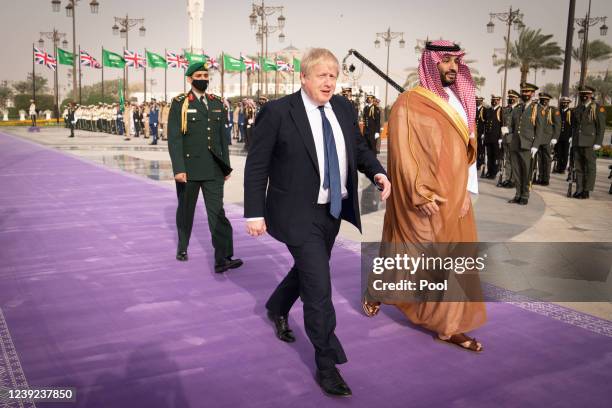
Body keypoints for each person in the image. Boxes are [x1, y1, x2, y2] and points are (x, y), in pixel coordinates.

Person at [244, 48, 390, 397]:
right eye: (322, 75)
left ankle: (277, 306)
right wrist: (254, 211)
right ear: (304, 78)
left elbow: (358, 147)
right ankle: (327, 365)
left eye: (333, 75)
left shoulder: (341, 107)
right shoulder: (279, 112)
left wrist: (379, 172)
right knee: (318, 288)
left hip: (332, 212)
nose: (329, 82)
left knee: (310, 270)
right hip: (296, 212)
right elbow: (257, 163)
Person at [362, 40, 486, 352]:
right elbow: (404, 153)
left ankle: (449, 326)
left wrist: (467, 191)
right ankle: (379, 290)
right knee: (410, 255)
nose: (452, 68)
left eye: (456, 62)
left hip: (455, 195)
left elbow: (467, 151)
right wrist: (420, 192)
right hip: (424, 197)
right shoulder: (408, 103)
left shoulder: (459, 101)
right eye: (445, 61)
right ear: (431, 63)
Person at [167, 61, 243, 273]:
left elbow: (222, 138)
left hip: (213, 169)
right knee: (185, 210)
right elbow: (174, 139)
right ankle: (182, 247)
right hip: (189, 170)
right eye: (198, 75)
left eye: (206, 75)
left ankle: (223, 258)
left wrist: (225, 167)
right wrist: (178, 169)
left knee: (217, 213)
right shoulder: (180, 103)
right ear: (190, 79)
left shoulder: (216, 102)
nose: (203, 79)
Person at [508, 83, 541, 205]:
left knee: (526, 171)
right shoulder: (517, 109)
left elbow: (539, 129)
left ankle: (525, 195)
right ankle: (517, 194)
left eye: (528, 92)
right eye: (523, 92)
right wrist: (508, 135)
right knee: (516, 171)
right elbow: (511, 126)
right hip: (515, 144)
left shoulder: (537, 109)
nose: (525, 94)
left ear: (532, 94)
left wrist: (535, 145)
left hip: (528, 145)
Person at [571, 86, 606, 199]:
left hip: (590, 142)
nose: (584, 96)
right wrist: (573, 137)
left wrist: (598, 142)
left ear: (591, 95)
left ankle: (586, 190)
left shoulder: (597, 108)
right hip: (578, 142)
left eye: (586, 94)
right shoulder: (578, 108)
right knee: (579, 167)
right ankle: (579, 189)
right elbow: (575, 126)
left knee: (590, 167)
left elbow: (601, 127)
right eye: (582, 94)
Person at [533, 92, 560, 186]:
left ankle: (546, 179)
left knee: (547, 159)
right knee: (539, 159)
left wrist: (555, 137)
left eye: (546, 100)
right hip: (537, 137)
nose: (544, 102)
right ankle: (540, 177)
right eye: (542, 100)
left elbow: (557, 125)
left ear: (548, 101)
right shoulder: (536, 108)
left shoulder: (552, 110)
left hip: (548, 138)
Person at [498, 90, 520, 187]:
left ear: (517, 99)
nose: (511, 99)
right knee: (507, 159)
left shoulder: (519, 110)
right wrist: (501, 136)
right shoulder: (506, 109)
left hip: (514, 139)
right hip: (506, 138)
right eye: (510, 97)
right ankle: (508, 178)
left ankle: (513, 180)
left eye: (513, 97)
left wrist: (509, 129)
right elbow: (502, 123)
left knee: (513, 160)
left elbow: (518, 126)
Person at [484, 95, 502, 178]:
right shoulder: (489, 110)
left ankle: (494, 172)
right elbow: (486, 123)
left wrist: (501, 137)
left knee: (495, 156)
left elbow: (503, 125)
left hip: (496, 138)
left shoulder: (501, 110)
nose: (494, 101)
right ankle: (489, 171)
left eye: (496, 100)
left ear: (499, 101)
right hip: (488, 137)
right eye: (493, 100)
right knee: (489, 155)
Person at [553, 96, 572, 173]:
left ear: (568, 104)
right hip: (559, 136)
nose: (564, 104)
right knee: (558, 152)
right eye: (563, 103)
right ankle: (558, 167)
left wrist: (571, 136)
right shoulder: (558, 112)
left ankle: (563, 168)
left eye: (566, 103)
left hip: (567, 136)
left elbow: (572, 125)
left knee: (565, 152)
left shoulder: (571, 112)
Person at [476, 96, 486, 172]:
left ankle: (480, 163)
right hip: (475, 133)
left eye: (479, 101)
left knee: (481, 149)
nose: (477, 102)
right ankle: (476, 163)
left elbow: (486, 123)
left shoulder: (484, 110)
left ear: (482, 101)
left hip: (481, 132)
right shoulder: (474, 109)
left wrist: (483, 133)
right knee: (476, 149)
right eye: (477, 100)